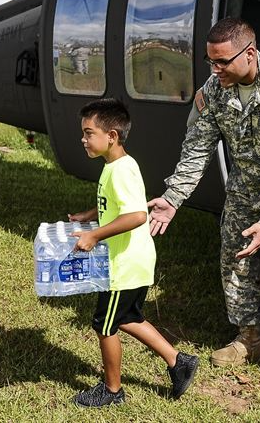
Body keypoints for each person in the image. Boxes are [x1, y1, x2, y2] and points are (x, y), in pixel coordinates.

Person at [147, 17, 260, 389]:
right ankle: (251, 339)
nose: (215, 70)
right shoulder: (215, 89)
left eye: (223, 61)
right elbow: (197, 147)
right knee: (236, 263)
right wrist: (174, 198)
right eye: (211, 61)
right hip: (245, 188)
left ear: (250, 54)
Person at [68, 98, 199, 407]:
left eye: (89, 133)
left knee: (104, 324)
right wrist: (92, 214)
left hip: (122, 265)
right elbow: (121, 207)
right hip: (134, 260)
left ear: (111, 136)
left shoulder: (120, 170)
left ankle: (112, 391)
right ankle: (178, 361)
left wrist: (95, 236)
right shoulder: (116, 165)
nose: (83, 139)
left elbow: (137, 215)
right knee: (127, 318)